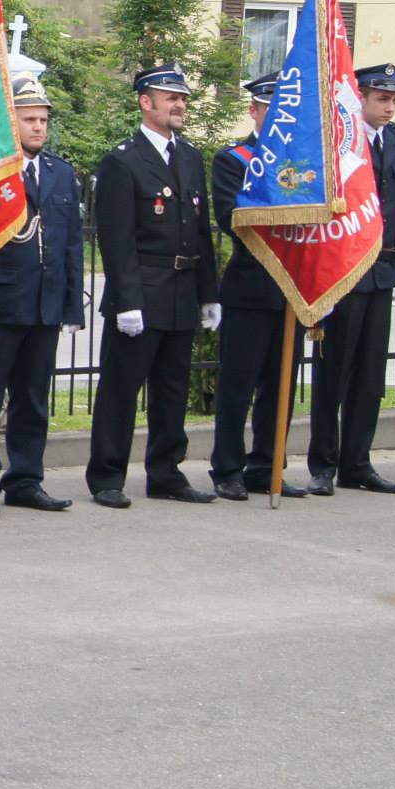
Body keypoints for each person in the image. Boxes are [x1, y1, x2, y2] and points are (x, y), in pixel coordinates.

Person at [83, 65, 222, 507]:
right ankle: (107, 476)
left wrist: (209, 292)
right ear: (146, 103)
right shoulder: (123, 160)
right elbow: (117, 238)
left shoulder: (190, 157)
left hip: (181, 289)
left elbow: (201, 231)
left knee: (172, 387)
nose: (179, 105)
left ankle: (165, 472)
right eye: (170, 97)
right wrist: (126, 300)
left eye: (182, 98)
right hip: (142, 290)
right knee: (121, 389)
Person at [0, 74, 82, 516]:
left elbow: (71, 244)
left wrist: (71, 305)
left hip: (45, 304)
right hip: (1, 304)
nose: (38, 127)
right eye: (30, 119)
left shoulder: (60, 173)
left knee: (33, 398)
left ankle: (26, 478)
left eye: (43, 119)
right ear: (12, 124)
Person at [306, 63, 395, 495]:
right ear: (360, 98)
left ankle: (358, 462)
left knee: (369, 376)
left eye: (394, 100)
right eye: (381, 99)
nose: (389, 107)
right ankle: (323, 464)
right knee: (334, 372)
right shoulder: (340, 143)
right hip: (344, 271)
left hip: (381, 270)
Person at [208, 74, 310, 500]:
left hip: (292, 288)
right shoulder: (234, 160)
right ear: (254, 110)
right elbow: (231, 217)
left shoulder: (304, 166)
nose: (279, 117)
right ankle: (228, 468)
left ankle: (268, 466)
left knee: (280, 384)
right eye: (271, 109)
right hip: (250, 288)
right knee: (238, 385)